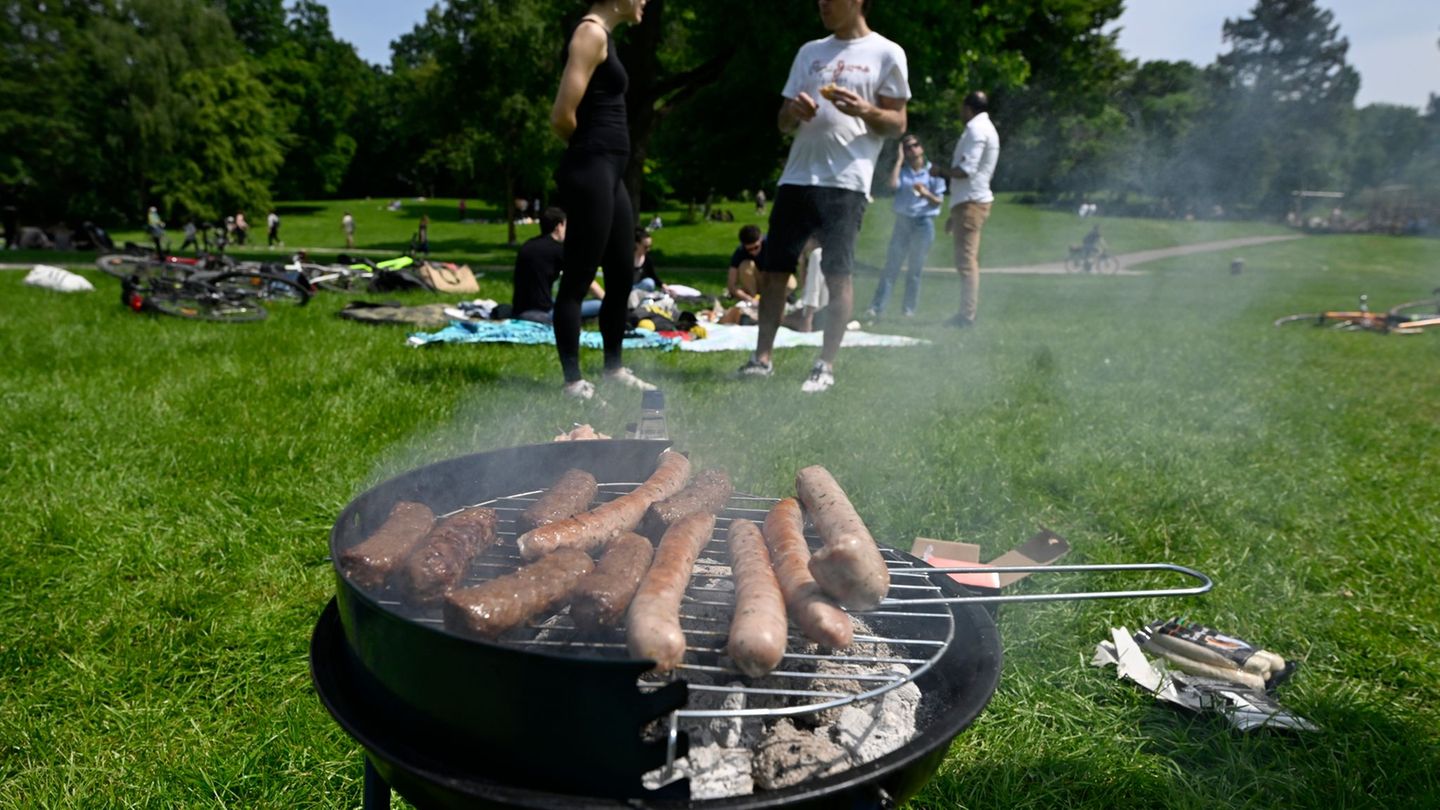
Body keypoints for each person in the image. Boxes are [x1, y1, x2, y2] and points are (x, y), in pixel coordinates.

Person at [737, 0, 909, 393]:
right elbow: (782, 122)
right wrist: (794, 111)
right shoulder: (810, 52)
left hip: (847, 181)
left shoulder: (886, 53)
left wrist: (865, 109)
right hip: (798, 177)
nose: (822, 5)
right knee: (776, 270)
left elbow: (898, 122)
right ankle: (761, 359)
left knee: (837, 272)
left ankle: (824, 365)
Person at [547, 0, 654, 400]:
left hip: (610, 173)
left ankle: (613, 368)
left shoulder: (605, 37)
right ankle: (573, 380)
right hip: (592, 167)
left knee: (622, 274)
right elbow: (562, 115)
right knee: (578, 275)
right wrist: (587, 150)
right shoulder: (589, 33)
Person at [932, 91, 999, 327]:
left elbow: (966, 170)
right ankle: (966, 313)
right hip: (969, 201)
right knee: (965, 261)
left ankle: (966, 316)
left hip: (972, 201)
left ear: (968, 108)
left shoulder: (975, 130)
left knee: (966, 262)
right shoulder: (984, 128)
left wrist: (940, 171)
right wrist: (954, 212)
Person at [865, 133, 945, 320]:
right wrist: (899, 160)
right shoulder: (903, 171)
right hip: (903, 222)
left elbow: (938, 202)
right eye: (907, 147)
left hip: (923, 223)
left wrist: (924, 193)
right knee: (891, 267)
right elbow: (892, 185)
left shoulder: (933, 171)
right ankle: (877, 307)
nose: (911, 149)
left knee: (915, 270)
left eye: (915, 145)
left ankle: (908, 310)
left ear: (922, 148)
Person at [512, 207, 605, 324]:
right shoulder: (559, 250)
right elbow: (585, 280)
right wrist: (607, 301)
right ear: (559, 226)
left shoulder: (527, 245)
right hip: (542, 313)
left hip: (519, 310)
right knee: (599, 305)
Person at [631, 228, 666, 292]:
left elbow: (653, 275)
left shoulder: (647, 259)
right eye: (646, 247)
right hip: (627, 288)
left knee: (649, 282)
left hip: (640, 289)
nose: (648, 249)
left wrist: (663, 285)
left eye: (650, 246)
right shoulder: (627, 258)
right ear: (637, 244)